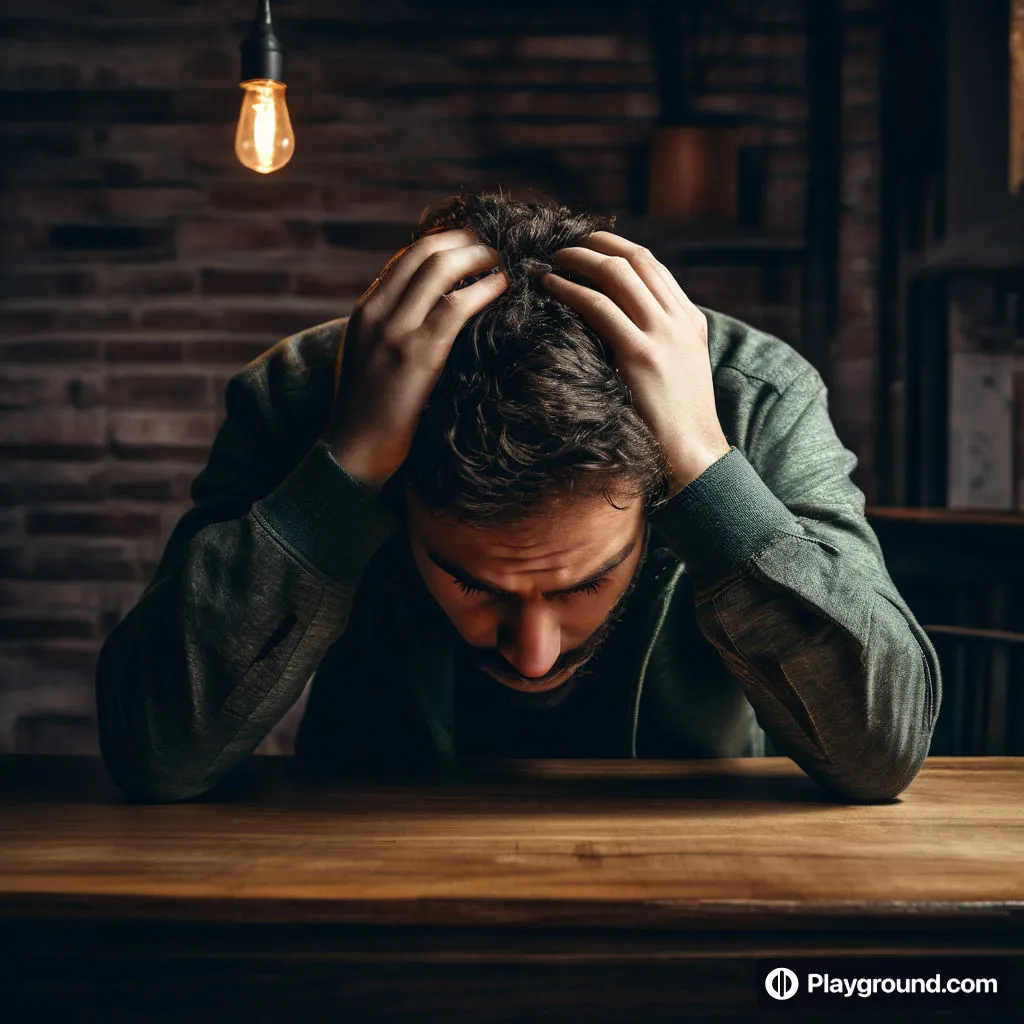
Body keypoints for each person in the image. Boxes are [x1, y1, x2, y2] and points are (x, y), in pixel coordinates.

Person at [95, 190, 941, 804]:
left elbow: (879, 754)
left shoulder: (754, 400)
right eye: (472, 580)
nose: (533, 655)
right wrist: (346, 466)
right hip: (367, 887)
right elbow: (157, 755)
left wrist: (704, 463)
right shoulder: (303, 404)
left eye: (581, 582)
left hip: (706, 888)